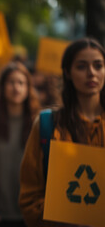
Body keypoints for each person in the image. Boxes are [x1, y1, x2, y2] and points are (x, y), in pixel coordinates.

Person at [19, 37, 105, 226]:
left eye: (98, 66)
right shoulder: (47, 124)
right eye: (81, 66)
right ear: (67, 72)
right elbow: (29, 197)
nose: (91, 73)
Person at [0, 63, 40, 227]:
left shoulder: (40, 127)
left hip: (31, 215)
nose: (16, 87)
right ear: (3, 87)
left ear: (28, 88)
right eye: (11, 82)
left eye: (21, 83)